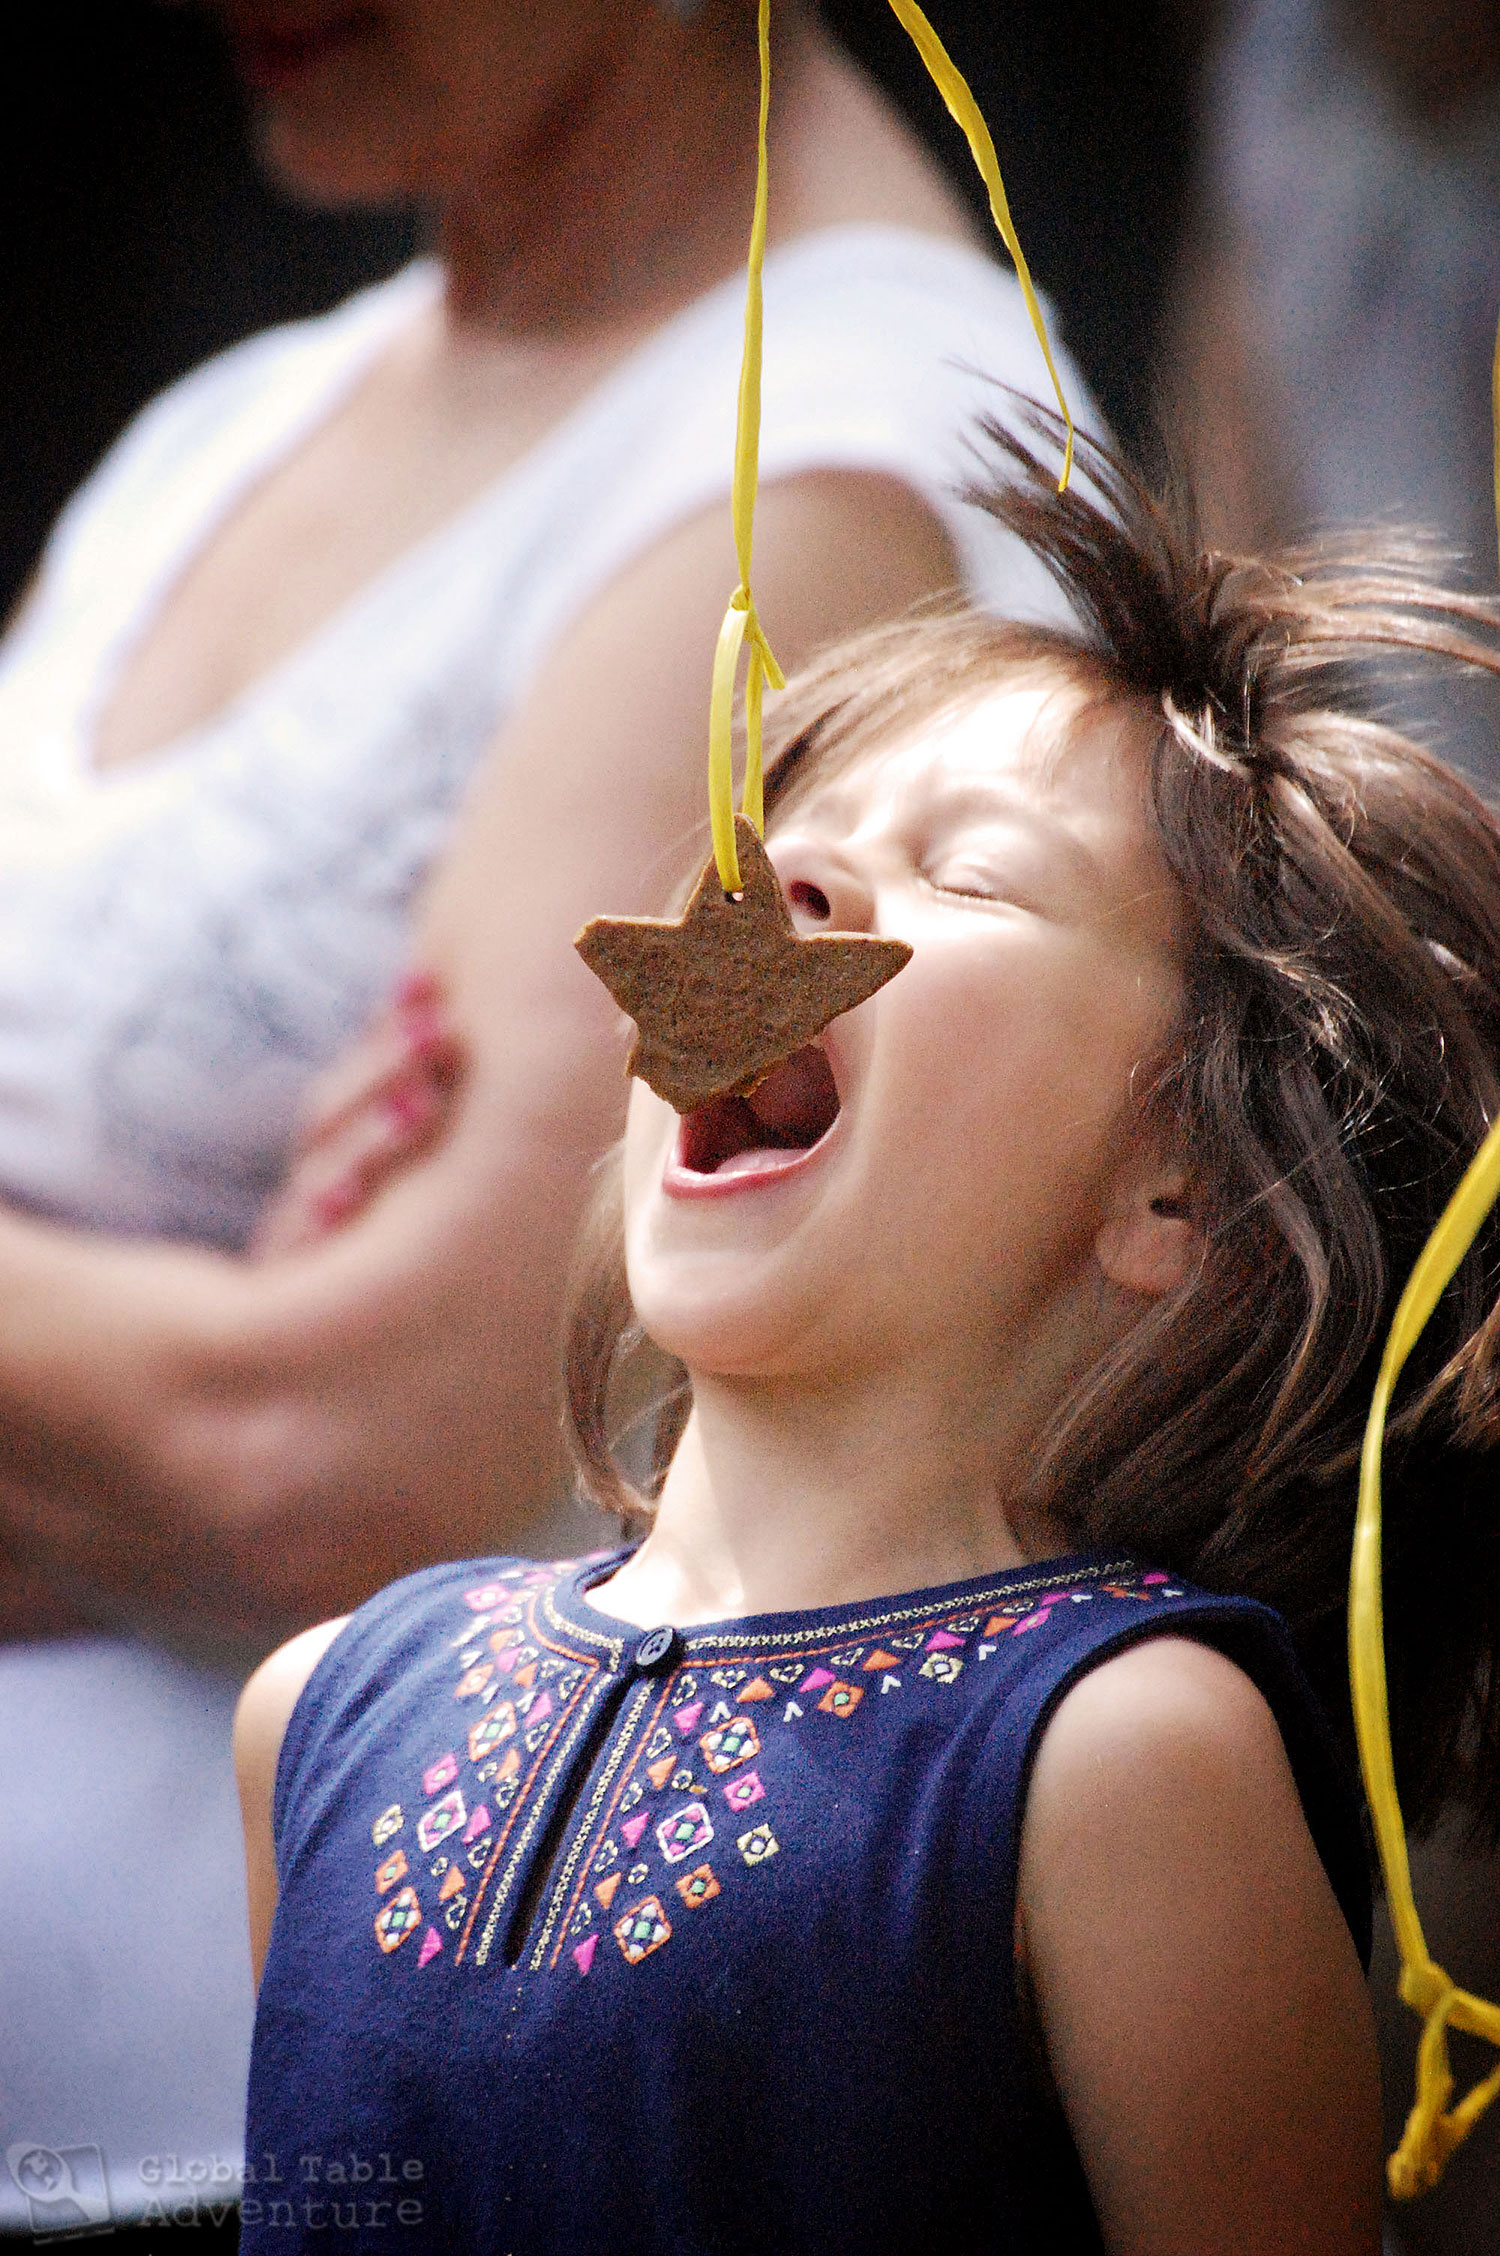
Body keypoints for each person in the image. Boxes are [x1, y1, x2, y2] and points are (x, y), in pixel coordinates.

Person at [0, 0, 1092, 2230]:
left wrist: (187, 1387)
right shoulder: (242, 418)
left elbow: (343, 1456)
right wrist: (138, 1343)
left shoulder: (816, 460)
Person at [235, 415, 1500, 2252]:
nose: (783, 891)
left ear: (1182, 1192)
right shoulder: (322, 1709)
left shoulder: (1124, 1757)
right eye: (788, 842)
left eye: (971, 874)